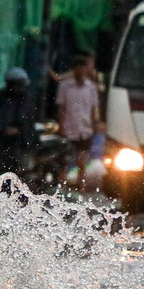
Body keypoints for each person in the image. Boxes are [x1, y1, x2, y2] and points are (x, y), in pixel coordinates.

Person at [55, 53, 100, 189]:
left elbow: (93, 108)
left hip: (85, 129)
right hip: (69, 127)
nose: (80, 71)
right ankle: (62, 186)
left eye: (83, 68)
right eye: (77, 68)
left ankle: (81, 186)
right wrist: (61, 126)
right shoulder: (65, 87)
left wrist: (94, 126)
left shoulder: (91, 87)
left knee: (82, 160)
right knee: (65, 160)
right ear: (73, 70)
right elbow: (61, 108)